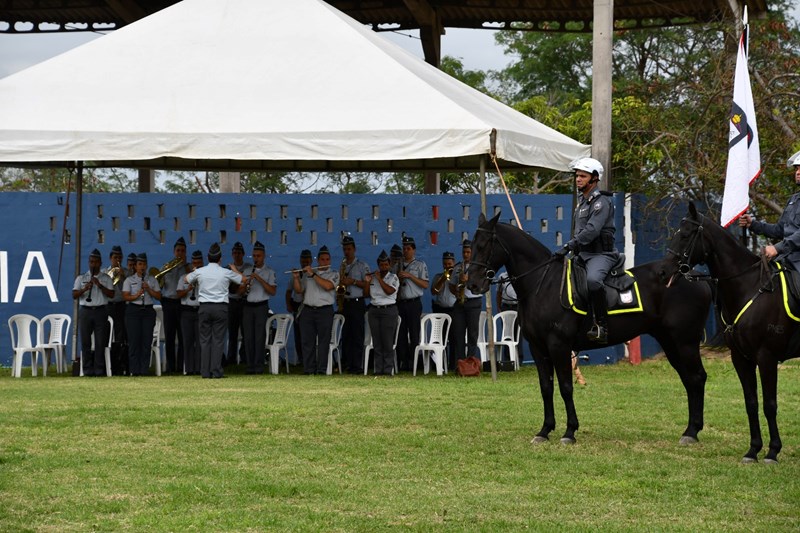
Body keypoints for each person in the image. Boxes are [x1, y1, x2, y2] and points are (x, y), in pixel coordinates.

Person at [555, 157, 618, 344]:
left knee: (593, 281)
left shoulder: (601, 202)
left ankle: (601, 325)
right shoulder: (582, 202)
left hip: (601, 255)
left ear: (594, 178)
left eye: (583, 176)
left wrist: (568, 246)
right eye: (577, 176)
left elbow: (591, 231)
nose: (578, 179)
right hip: (582, 255)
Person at [185, 243, 246, 379]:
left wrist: (196, 272)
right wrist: (234, 268)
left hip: (205, 307)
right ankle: (216, 371)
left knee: (205, 341)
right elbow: (244, 279)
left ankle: (205, 372)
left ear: (208, 258)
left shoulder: (201, 271)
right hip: (220, 308)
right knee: (218, 340)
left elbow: (186, 279)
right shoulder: (225, 272)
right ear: (220, 259)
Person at [739, 153, 800, 269]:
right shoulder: (794, 199)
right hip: (785, 259)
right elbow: (779, 230)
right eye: (797, 169)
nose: (797, 172)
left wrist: (777, 248)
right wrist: (752, 224)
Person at [292, 245, 339, 374]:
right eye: (323, 259)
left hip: (324, 311)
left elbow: (328, 286)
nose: (325, 262)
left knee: (324, 342)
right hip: (308, 310)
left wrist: (312, 274)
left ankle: (322, 369)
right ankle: (309, 369)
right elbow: (299, 290)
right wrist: (296, 278)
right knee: (307, 341)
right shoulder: (309, 274)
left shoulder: (334, 273)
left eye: (327, 259)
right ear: (318, 260)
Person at [72, 248, 114, 376]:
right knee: (85, 342)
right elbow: (74, 294)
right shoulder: (81, 278)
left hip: (101, 311)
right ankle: (87, 370)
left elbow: (111, 294)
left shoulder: (106, 278)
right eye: (91, 262)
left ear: (100, 263)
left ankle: (99, 370)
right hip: (85, 311)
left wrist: (100, 285)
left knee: (100, 342)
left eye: (95, 262)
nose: (93, 265)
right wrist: (85, 288)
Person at [239, 241, 277, 374]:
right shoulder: (247, 271)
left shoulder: (269, 272)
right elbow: (240, 292)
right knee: (248, 336)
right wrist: (245, 285)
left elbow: (272, 291)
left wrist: (259, 279)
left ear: (264, 256)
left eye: (259, 256)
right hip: (248, 306)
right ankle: (250, 366)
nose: (256, 258)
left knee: (259, 336)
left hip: (261, 306)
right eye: (254, 256)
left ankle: (259, 365)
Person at [122, 253, 161, 376]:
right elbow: (125, 296)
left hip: (148, 311)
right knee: (134, 341)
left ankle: (144, 370)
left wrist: (148, 289)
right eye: (140, 264)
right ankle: (134, 370)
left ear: (147, 265)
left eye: (144, 264)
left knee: (146, 341)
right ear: (135, 266)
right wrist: (137, 295)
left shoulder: (152, 279)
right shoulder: (129, 280)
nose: (142, 267)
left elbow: (159, 296)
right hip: (133, 311)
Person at [396, 235, 429, 371]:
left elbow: (425, 284)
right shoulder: (398, 265)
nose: (406, 251)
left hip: (414, 303)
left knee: (414, 334)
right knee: (401, 334)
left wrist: (410, 276)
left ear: (413, 250)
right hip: (401, 302)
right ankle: (403, 362)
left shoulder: (420, 265)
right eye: (404, 248)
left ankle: (414, 362)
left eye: (408, 248)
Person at [364, 250, 400, 376]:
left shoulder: (393, 277)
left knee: (387, 341)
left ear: (389, 265)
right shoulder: (373, 277)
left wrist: (379, 279)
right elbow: (366, 294)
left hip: (388, 310)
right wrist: (368, 282)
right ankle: (378, 370)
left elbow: (389, 291)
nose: (383, 267)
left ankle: (388, 370)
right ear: (378, 265)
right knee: (377, 341)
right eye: (381, 265)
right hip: (374, 310)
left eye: (386, 265)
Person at [449, 239, 483, 366]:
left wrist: (469, 280)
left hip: (474, 302)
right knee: (459, 334)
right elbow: (451, 285)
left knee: (472, 335)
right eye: (464, 252)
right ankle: (461, 363)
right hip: (460, 302)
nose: (466, 254)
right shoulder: (458, 267)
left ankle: (471, 362)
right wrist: (456, 292)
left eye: (468, 252)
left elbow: (482, 286)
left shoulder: (478, 267)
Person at [338, 235, 370, 374]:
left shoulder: (362, 265)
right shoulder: (342, 265)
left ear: (354, 249)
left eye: (349, 249)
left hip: (357, 302)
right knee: (346, 335)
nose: (347, 252)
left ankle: (357, 365)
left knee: (357, 335)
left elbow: (368, 284)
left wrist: (354, 282)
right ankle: (348, 363)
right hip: (346, 302)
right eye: (345, 249)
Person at [160, 237, 188, 374]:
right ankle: (170, 367)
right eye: (178, 250)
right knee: (169, 337)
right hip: (169, 303)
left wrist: (186, 265)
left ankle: (180, 367)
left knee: (182, 336)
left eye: (182, 251)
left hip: (182, 304)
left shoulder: (188, 269)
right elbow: (159, 284)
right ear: (173, 251)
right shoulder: (166, 267)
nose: (180, 253)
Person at [176, 250, 203, 375]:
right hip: (186, 311)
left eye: (199, 263)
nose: (196, 266)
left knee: (200, 341)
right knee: (187, 341)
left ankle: (198, 368)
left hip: (199, 310)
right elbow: (178, 294)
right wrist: (188, 289)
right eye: (194, 263)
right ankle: (189, 368)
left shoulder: (204, 279)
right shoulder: (184, 278)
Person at [285, 249, 313, 366]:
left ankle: (310, 359)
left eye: (307, 259)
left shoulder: (312, 274)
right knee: (298, 335)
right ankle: (301, 359)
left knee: (309, 335)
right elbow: (288, 292)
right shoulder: (295, 274)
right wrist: (289, 305)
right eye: (303, 259)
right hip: (297, 306)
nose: (305, 261)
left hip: (308, 305)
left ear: (311, 260)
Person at [226, 241, 251, 366]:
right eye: (235, 253)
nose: (236, 255)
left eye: (239, 253)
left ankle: (244, 357)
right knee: (232, 332)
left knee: (245, 331)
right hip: (231, 302)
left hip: (244, 302)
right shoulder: (227, 268)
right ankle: (231, 358)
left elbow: (245, 283)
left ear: (243, 254)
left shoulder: (247, 267)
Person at [106, 245, 127, 345]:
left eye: (120, 257)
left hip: (121, 305)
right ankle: (108, 357)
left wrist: (123, 276)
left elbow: (130, 288)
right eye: (115, 257)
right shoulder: (104, 272)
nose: (118, 260)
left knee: (120, 332)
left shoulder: (126, 272)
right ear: (110, 258)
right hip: (108, 304)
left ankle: (119, 357)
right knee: (107, 332)